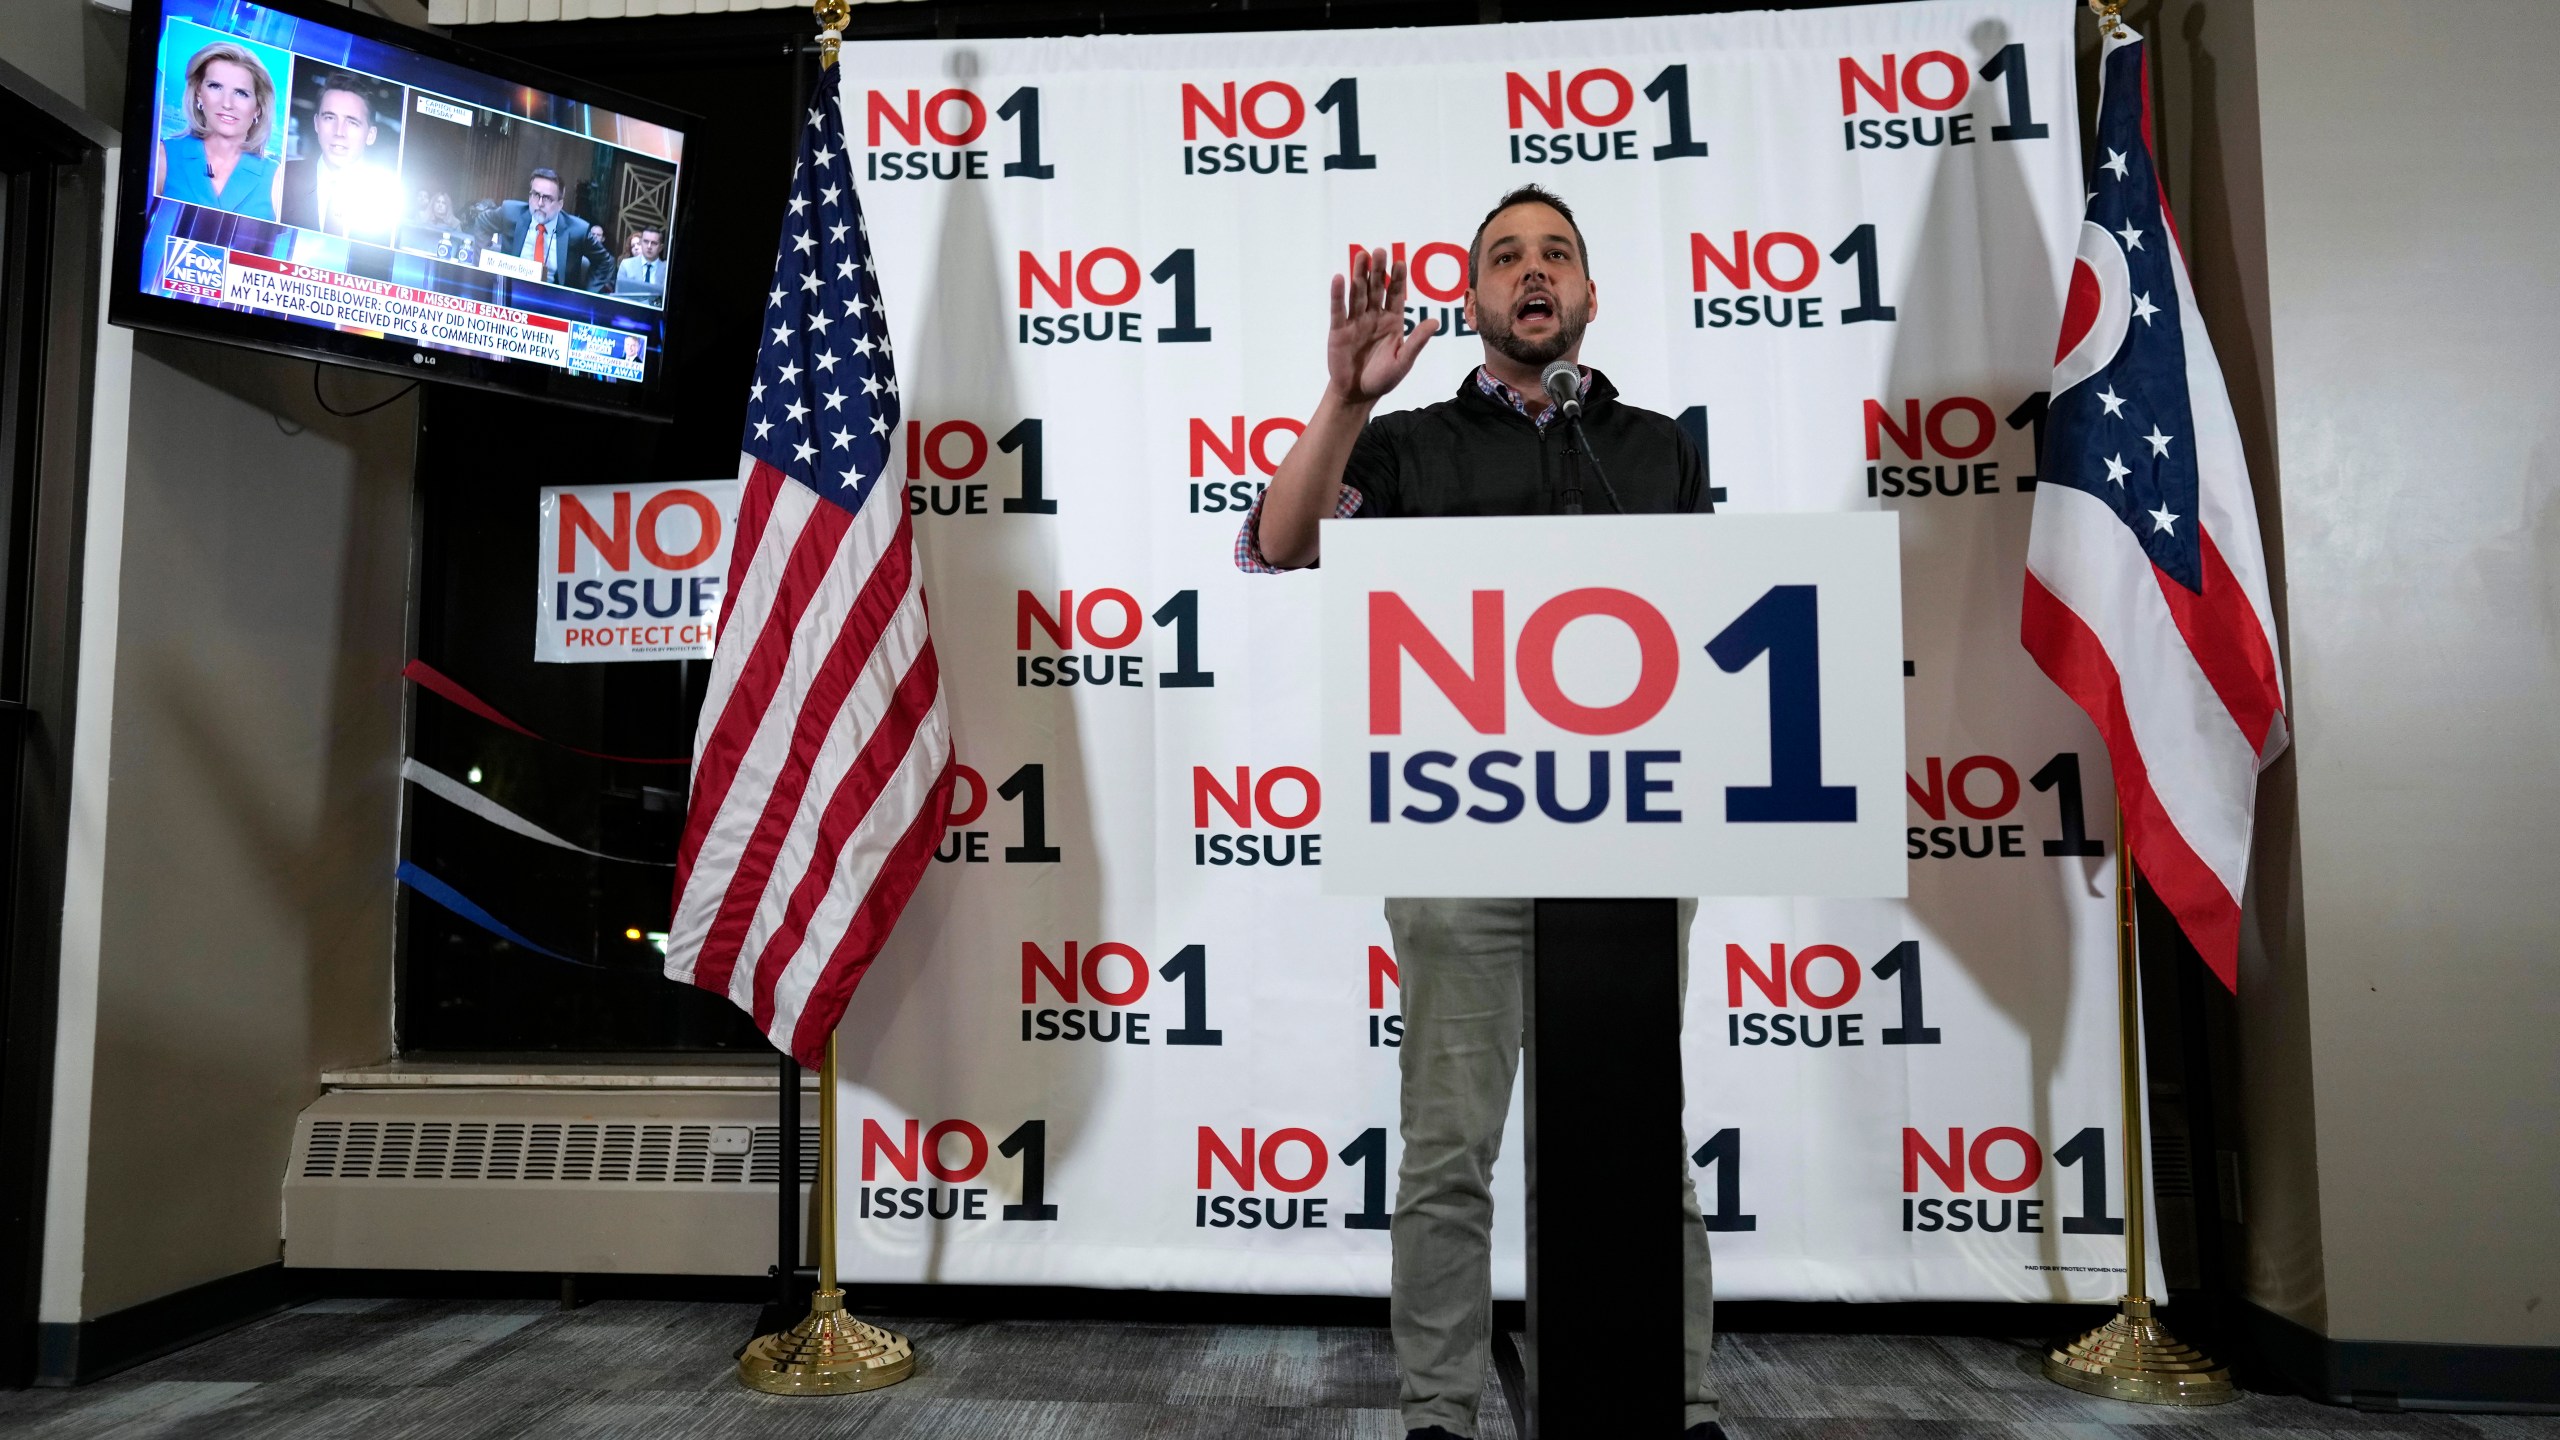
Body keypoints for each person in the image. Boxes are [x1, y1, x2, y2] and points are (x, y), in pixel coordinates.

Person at [1234, 185, 1723, 1440]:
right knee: (1450, 1152)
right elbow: (1283, 546)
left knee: (1637, 1150)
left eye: (1556, 251)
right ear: (1472, 299)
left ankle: (1676, 1396)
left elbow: (1711, 625)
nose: (1532, 271)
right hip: (1458, 845)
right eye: (1504, 256)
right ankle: (1442, 1411)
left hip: (1629, 842)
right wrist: (1348, 397)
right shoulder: (1405, 447)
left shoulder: (1659, 446)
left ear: (1591, 292)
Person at [155, 42, 283, 222]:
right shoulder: (162, 158)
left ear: (258, 108)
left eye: (241, 93)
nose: (227, 103)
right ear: (199, 93)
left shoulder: (277, 179)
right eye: (215, 86)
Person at [280, 73, 399, 243]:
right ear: (316, 123)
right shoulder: (284, 176)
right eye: (330, 118)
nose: (339, 132)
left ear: (371, 135)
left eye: (352, 122)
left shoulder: (389, 197)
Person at [470, 168, 613, 291]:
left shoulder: (577, 230)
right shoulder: (510, 213)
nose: (539, 203)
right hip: (510, 292)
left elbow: (606, 262)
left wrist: (585, 297)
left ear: (560, 204)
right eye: (535, 195)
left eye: (548, 198)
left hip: (552, 301)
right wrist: (482, 270)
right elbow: (482, 223)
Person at [614, 226, 668, 307]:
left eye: (654, 243)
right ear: (642, 243)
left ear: (660, 247)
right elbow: (618, 296)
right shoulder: (626, 265)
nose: (649, 246)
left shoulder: (667, 269)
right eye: (646, 242)